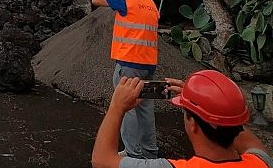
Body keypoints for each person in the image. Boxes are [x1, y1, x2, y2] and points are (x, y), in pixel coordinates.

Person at [92, 70, 273, 167]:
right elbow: (234, 122)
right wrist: (201, 99)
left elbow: (101, 160)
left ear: (193, 124)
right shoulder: (261, 162)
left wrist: (116, 106)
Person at [92, 0, 160, 158]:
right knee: (145, 107)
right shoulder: (149, 2)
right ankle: (150, 152)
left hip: (130, 62)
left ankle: (132, 153)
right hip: (148, 64)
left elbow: (96, 0)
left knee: (126, 105)